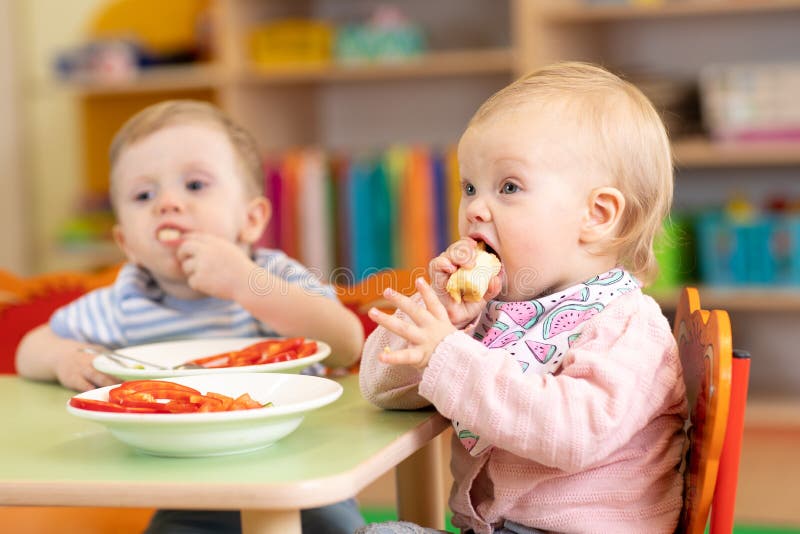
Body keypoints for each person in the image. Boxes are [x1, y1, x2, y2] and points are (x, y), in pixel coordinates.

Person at [358, 62, 687, 534]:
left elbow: (574, 433)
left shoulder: (627, 325)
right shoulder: (494, 311)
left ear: (596, 214)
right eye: (469, 187)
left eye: (508, 187)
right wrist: (443, 324)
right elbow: (381, 389)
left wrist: (447, 357)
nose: (475, 207)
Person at [15, 99, 366, 534]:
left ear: (251, 220)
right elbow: (30, 347)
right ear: (126, 242)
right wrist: (65, 358)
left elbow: (348, 341)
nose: (168, 204)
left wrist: (243, 282)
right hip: (185, 494)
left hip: (302, 476)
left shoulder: (270, 275)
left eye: (195, 186)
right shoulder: (129, 298)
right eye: (144, 195)